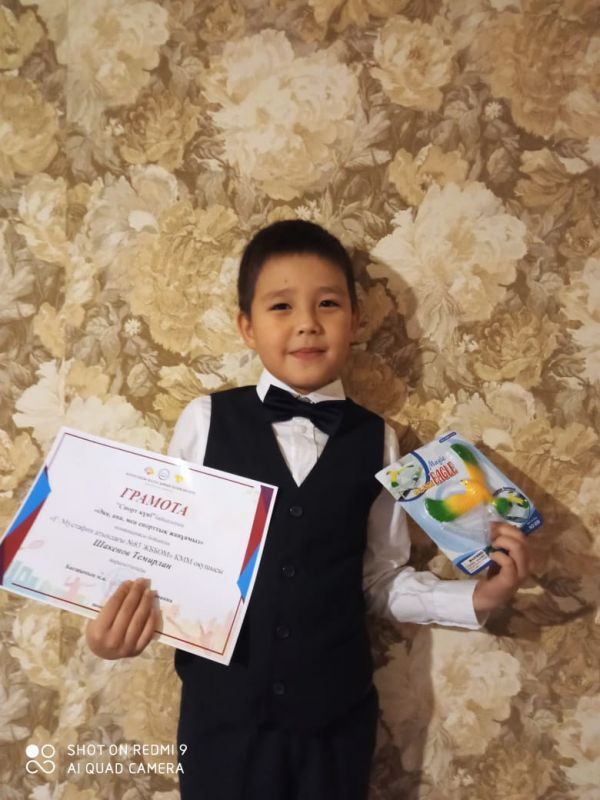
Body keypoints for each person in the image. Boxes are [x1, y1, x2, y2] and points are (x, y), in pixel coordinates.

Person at [86, 220, 529, 800]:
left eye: (327, 303)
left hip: (335, 726)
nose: (306, 323)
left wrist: (478, 598)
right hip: (222, 721)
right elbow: (163, 552)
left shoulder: (380, 439)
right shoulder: (206, 419)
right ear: (247, 327)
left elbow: (379, 578)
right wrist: (115, 630)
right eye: (280, 306)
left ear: (356, 321)